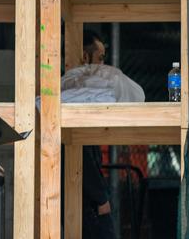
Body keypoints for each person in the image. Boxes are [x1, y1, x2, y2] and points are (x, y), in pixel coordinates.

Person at [81, 30, 115, 239]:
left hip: (87, 196)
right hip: (86, 200)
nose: (103, 66)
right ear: (85, 58)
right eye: (100, 58)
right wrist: (101, 198)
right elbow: (80, 153)